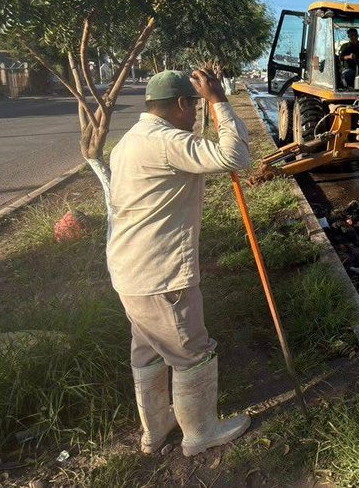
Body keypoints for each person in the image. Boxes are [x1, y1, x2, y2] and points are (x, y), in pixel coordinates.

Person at [106, 69, 251, 457]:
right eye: (196, 106)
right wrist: (220, 99)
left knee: (147, 350)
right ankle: (200, 433)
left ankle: (156, 431)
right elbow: (235, 155)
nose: (195, 115)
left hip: (128, 270)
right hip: (161, 273)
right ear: (183, 104)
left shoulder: (129, 142)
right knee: (191, 352)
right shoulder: (166, 141)